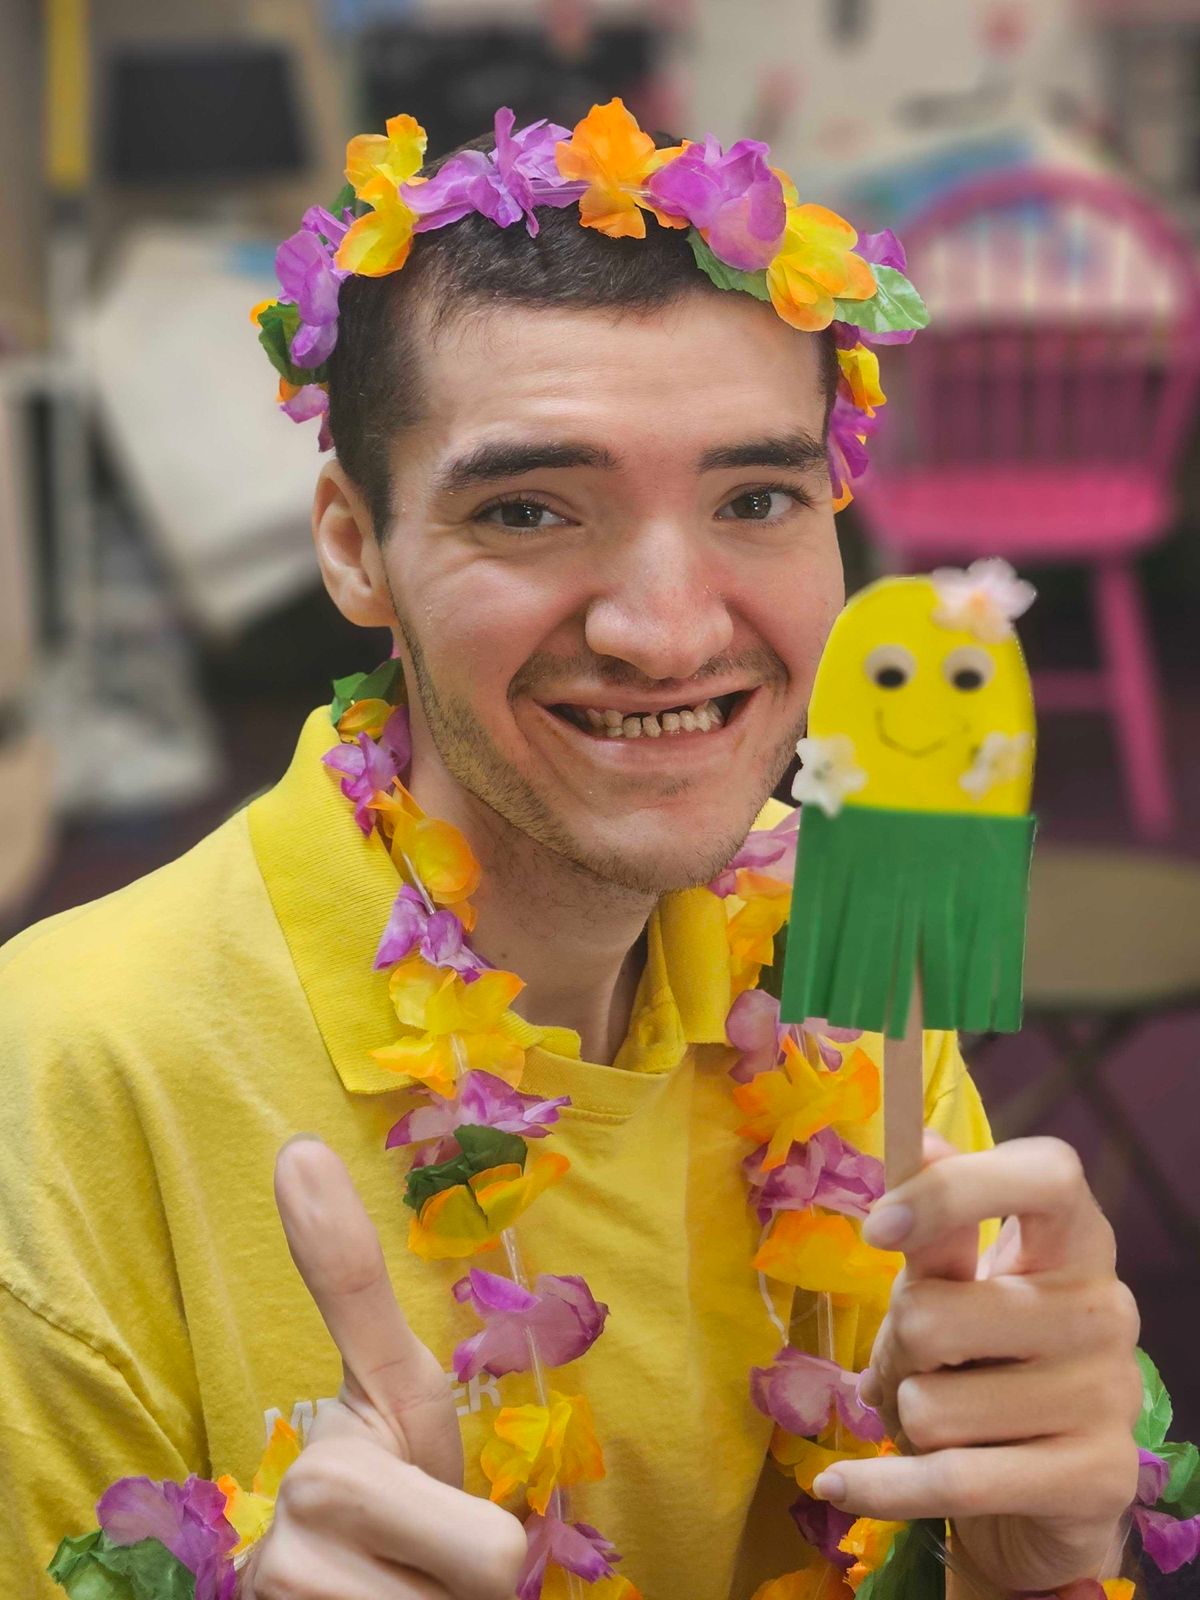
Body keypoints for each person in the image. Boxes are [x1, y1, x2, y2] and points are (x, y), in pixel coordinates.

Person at [0, 101, 1154, 1600]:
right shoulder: (66, 1081)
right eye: (532, 510)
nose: (672, 630)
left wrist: (1025, 1567)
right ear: (353, 544)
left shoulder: (846, 955)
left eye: (756, 499)